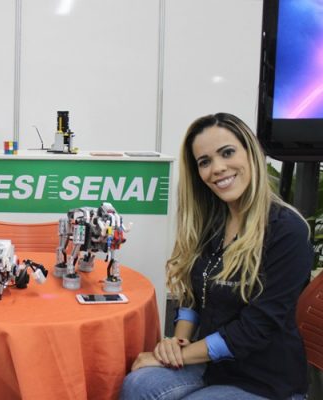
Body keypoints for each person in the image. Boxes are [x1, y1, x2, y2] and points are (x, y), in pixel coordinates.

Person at [120, 113, 313, 399]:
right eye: (205, 162)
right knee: (137, 384)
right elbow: (193, 296)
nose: (218, 168)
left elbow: (255, 328)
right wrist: (178, 341)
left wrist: (179, 356)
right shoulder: (213, 223)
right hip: (212, 365)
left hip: (266, 381)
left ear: (252, 152)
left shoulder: (287, 230)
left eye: (227, 152)